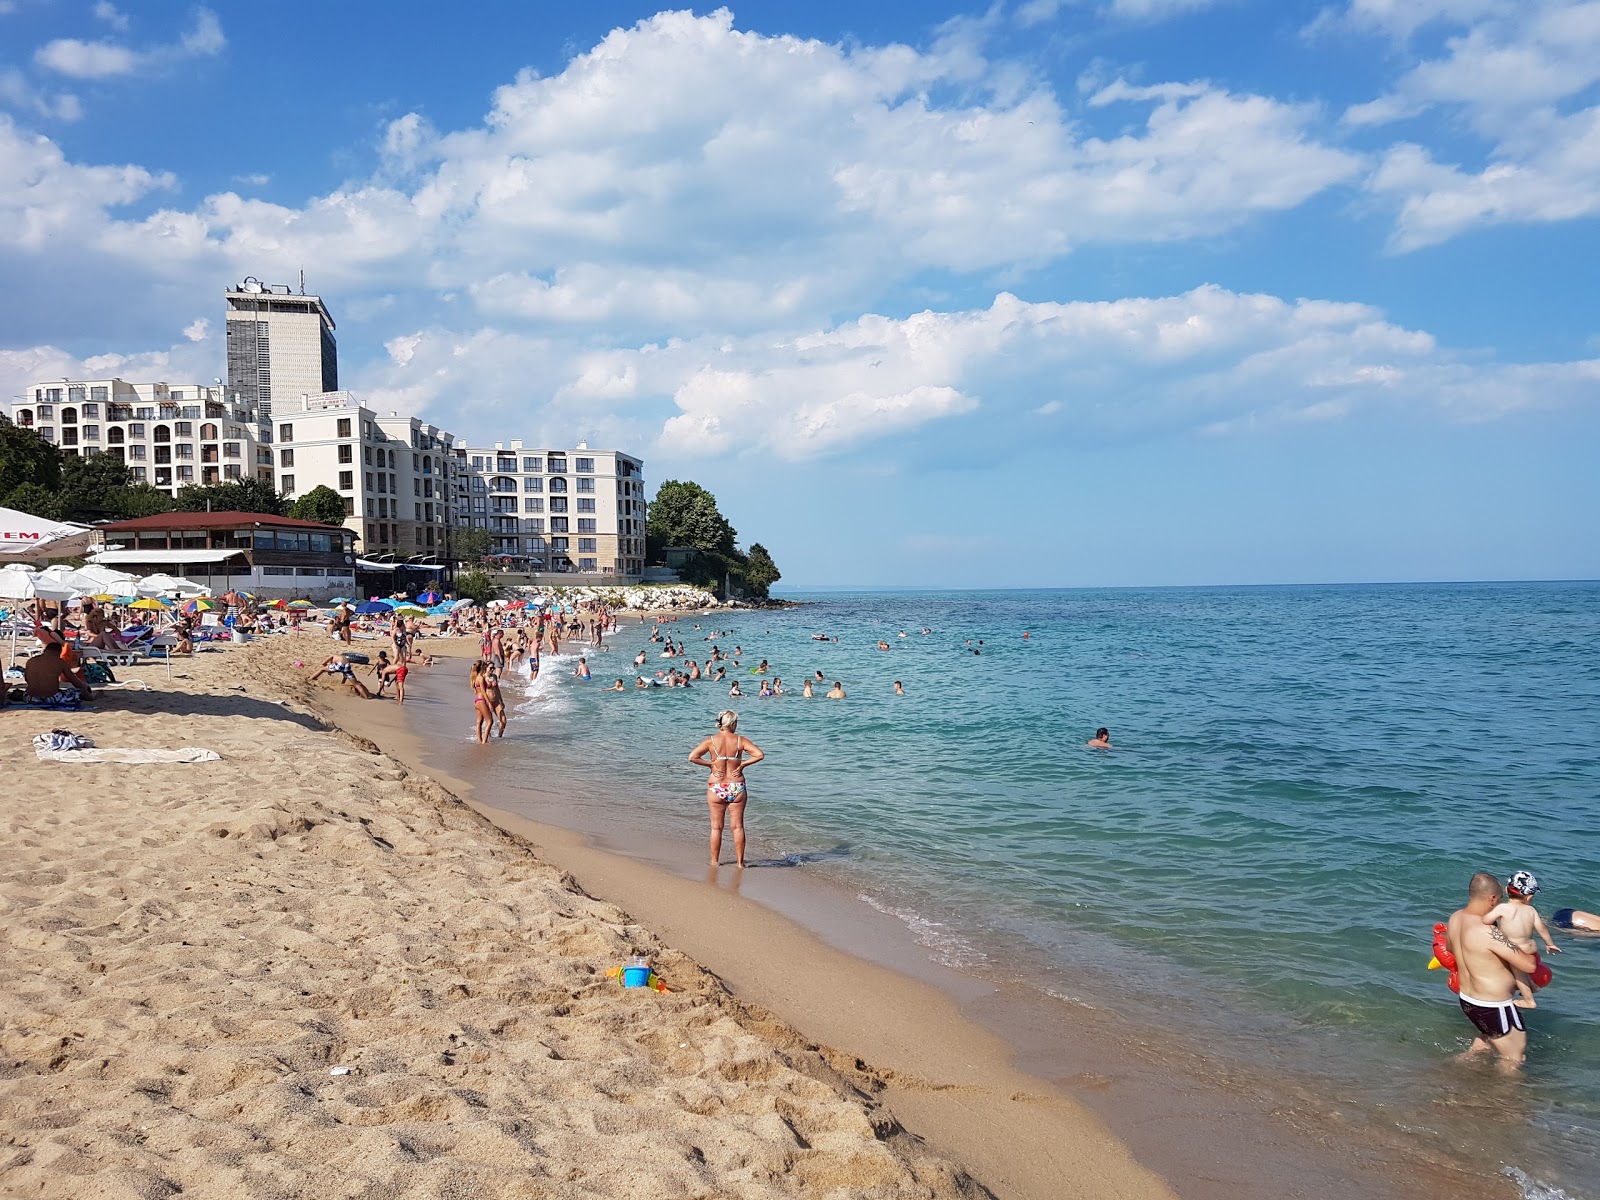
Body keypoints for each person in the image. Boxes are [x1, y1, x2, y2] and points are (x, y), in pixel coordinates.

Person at [1445, 872, 1541, 1070]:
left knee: (1484, 1042)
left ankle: (1450, 1072)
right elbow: (1529, 966)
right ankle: (1500, 1100)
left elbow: (1451, 948)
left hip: (1468, 1000)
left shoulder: (1455, 918)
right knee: (1514, 1059)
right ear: (1492, 899)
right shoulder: (1489, 932)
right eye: (1501, 900)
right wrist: (1529, 946)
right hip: (1495, 1007)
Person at [688, 710, 765, 868]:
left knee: (716, 827)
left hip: (716, 786)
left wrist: (711, 764)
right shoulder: (740, 741)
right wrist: (742, 764)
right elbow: (759, 754)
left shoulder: (711, 741)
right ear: (733, 724)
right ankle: (740, 863)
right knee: (738, 826)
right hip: (736, 786)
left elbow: (692, 757)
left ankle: (715, 862)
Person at [1483, 871, 1560, 1008]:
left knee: (1519, 976)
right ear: (1529, 897)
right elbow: (1541, 928)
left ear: (1506, 890)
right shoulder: (1531, 911)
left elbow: (1486, 920)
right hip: (1531, 950)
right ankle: (1534, 987)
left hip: (1517, 951)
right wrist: (1550, 944)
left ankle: (1529, 1000)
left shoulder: (1504, 908)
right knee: (1523, 973)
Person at [25, 642, 91, 701]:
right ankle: (94, 697)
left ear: (45, 650)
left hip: (29, 697)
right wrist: (84, 687)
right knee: (77, 692)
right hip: (51, 698)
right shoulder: (60, 662)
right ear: (59, 652)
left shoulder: (31, 661)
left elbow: (27, 678)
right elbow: (74, 681)